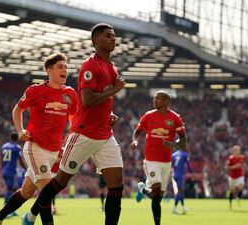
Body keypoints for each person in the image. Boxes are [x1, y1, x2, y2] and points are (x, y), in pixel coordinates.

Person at [22, 23, 126, 225]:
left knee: (117, 186)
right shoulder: (90, 66)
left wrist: (109, 113)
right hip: (83, 133)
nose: (113, 39)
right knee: (60, 181)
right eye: (108, 36)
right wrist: (115, 89)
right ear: (96, 40)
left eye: (114, 35)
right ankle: (31, 216)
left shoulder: (112, 67)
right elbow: (87, 100)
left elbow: (102, 100)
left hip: (105, 135)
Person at [0, 52, 78, 225]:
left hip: (54, 150)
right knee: (47, 188)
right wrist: (20, 129)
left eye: (66, 67)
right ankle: (33, 219)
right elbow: (17, 110)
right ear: (49, 71)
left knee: (27, 192)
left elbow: (73, 117)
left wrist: (71, 131)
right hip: (35, 147)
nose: (65, 70)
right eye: (60, 67)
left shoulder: (71, 93)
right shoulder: (35, 90)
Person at [130, 91, 186, 225]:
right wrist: (135, 141)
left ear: (166, 102)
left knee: (158, 198)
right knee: (156, 191)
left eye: (158, 99)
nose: (154, 101)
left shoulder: (175, 118)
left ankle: (143, 189)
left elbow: (183, 139)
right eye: (154, 99)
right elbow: (136, 133)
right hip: (150, 159)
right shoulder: (148, 116)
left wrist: (173, 144)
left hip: (166, 161)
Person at [1, 133, 25, 218]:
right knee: (10, 189)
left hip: (4, 170)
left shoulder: (3, 146)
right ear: (17, 139)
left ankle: (11, 210)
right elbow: (20, 160)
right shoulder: (16, 147)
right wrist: (26, 168)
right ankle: (5, 210)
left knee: (13, 189)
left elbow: (2, 160)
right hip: (11, 170)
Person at [171, 146, 193, 214]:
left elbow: (171, 165)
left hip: (175, 175)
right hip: (181, 175)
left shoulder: (173, 154)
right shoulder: (185, 155)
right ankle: (174, 208)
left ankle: (183, 207)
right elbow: (188, 165)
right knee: (180, 192)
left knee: (180, 192)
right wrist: (192, 173)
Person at [226, 145, 245, 209]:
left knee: (241, 186)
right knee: (231, 191)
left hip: (240, 176)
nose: (237, 152)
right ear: (233, 151)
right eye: (236, 150)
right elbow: (227, 167)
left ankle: (238, 197)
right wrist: (234, 166)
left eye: (238, 150)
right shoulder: (230, 158)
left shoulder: (242, 157)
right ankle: (230, 204)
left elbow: (240, 165)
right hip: (232, 177)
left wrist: (234, 166)